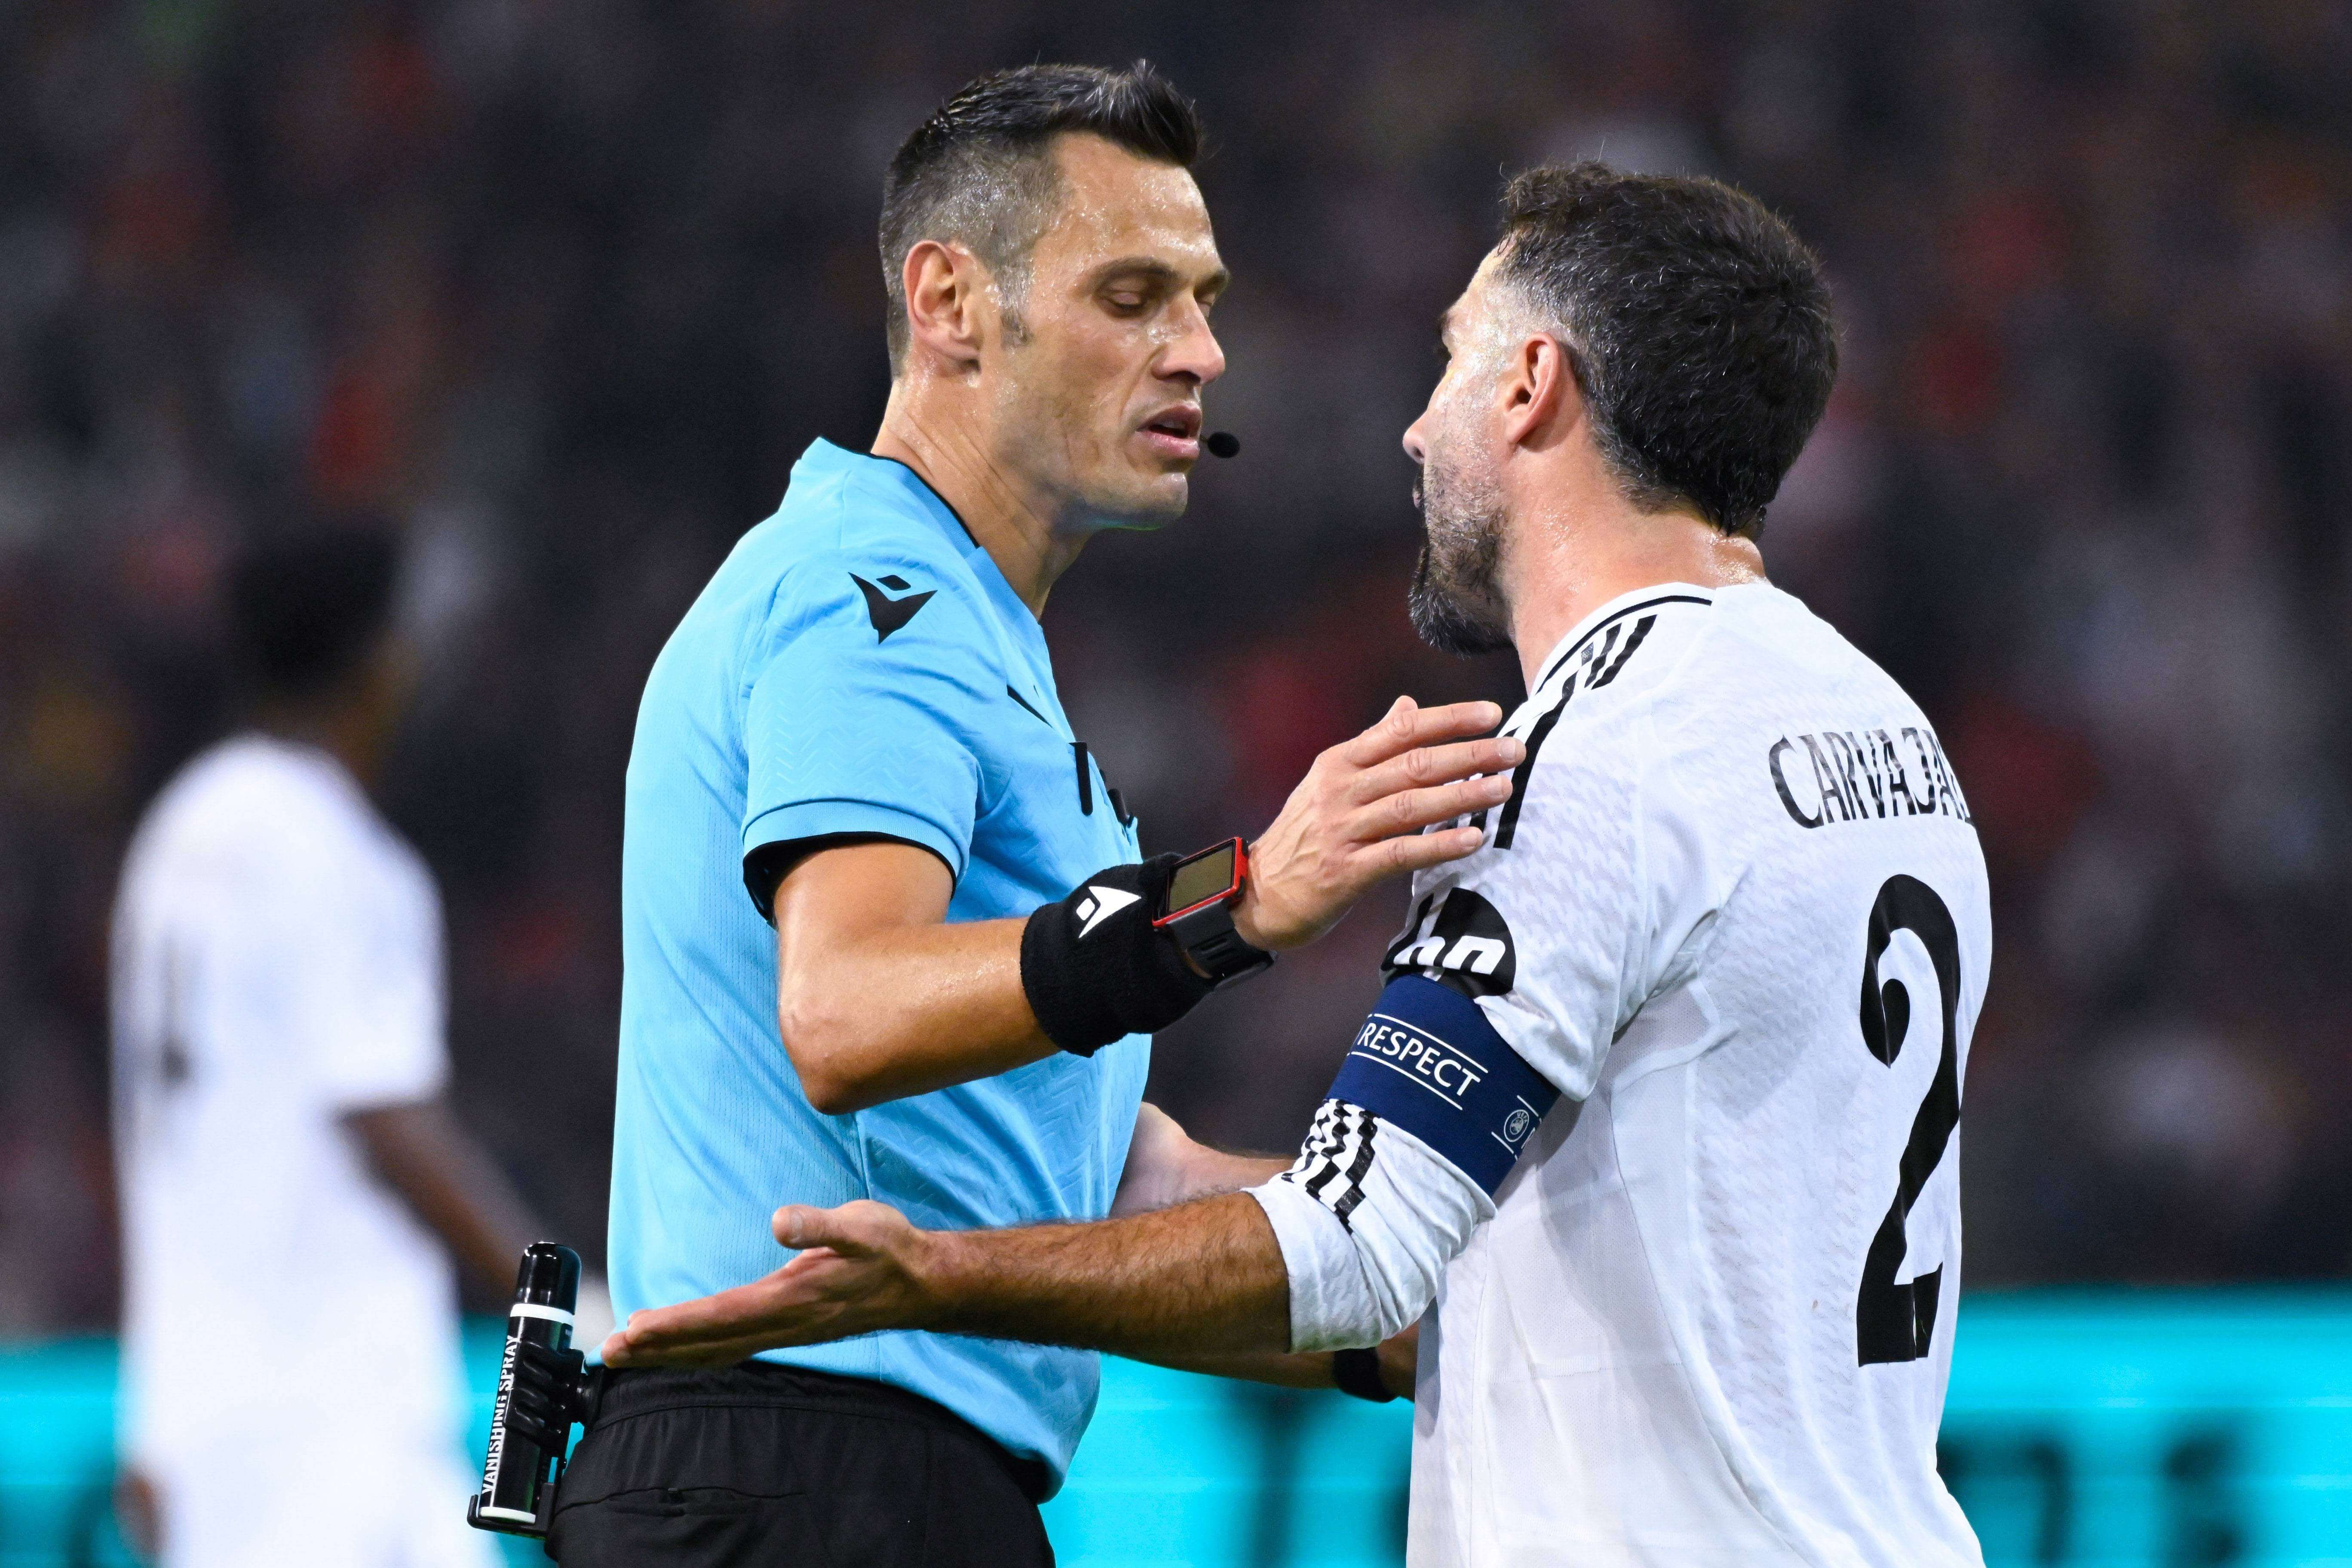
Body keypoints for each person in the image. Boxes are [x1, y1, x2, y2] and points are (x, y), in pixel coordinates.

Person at [607, 163, 1996, 1568]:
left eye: (1450, 354)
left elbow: (1358, 1249)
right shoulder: (1883, 738)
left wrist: (932, 1278)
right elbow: (1446, 1274)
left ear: (1530, 384)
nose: (1411, 422)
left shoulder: (1576, 763)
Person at [545, 61, 1517, 1566]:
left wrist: (1444, 1259)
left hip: (844, 1480)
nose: (1197, 348)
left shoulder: (980, 652)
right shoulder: (873, 592)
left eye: (1201, 298)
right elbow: (847, 1008)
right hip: (806, 1471)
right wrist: (1241, 895)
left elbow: (1104, 1182)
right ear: (949, 301)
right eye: (1131, 294)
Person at [110, 526, 595, 1568]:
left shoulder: (176, 838)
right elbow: (387, 1122)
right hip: (327, 1428)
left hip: (197, 1413)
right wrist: (554, 1292)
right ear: (377, 658)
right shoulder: (339, 856)